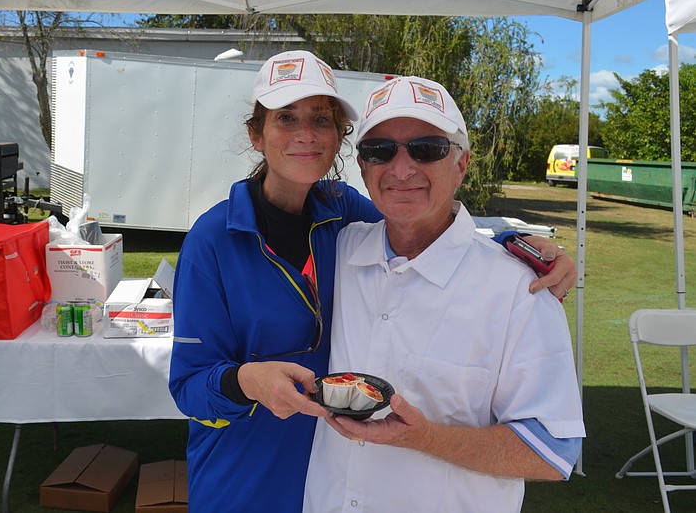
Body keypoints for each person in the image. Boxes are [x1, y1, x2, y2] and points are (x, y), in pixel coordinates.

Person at [168, 51, 576, 513]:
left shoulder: (342, 219)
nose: (305, 135)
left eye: (321, 119)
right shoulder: (218, 239)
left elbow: (428, 224)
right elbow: (188, 384)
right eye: (286, 118)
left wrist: (513, 244)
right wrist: (246, 380)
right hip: (246, 473)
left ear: (341, 137)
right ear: (256, 135)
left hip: (320, 479)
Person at [302, 75, 586, 513]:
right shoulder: (338, 251)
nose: (400, 168)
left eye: (426, 148)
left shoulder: (519, 289)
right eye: (380, 151)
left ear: (462, 163)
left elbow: (551, 450)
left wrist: (424, 438)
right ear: (362, 167)